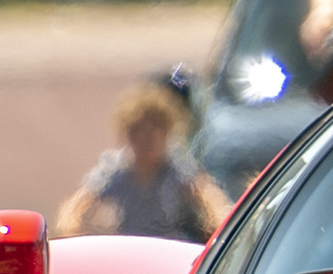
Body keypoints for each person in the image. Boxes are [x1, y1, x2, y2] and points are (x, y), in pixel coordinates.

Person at [56, 83, 234, 242]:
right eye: (140, 134)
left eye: (155, 134)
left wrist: (220, 227)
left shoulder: (175, 169)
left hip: (169, 249)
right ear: (129, 135)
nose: (148, 142)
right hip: (130, 248)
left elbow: (209, 198)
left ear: (166, 134)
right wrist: (73, 229)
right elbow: (77, 206)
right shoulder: (116, 171)